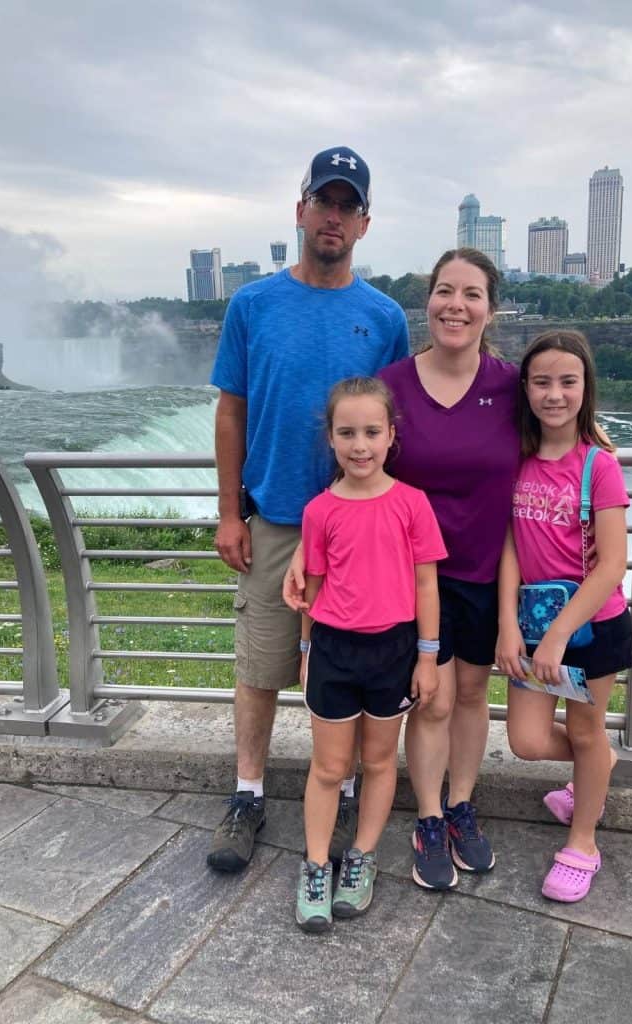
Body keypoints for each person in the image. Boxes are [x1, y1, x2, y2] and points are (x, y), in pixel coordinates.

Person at [286, 248, 520, 890]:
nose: (456, 305)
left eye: (472, 294)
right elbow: (351, 467)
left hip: (477, 567)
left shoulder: (510, 385)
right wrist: (309, 561)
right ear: (428, 301)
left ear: (490, 308)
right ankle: (430, 815)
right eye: (445, 291)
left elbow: (560, 439)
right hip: (407, 579)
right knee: (432, 700)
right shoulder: (394, 383)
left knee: (471, 695)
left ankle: (461, 806)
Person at [207, 147, 409, 873]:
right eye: (323, 201)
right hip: (275, 520)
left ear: (364, 224)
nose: (334, 216)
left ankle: (347, 787)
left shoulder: (384, 317)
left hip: (357, 528)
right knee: (262, 665)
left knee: (348, 664)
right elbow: (231, 413)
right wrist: (230, 512)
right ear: (300, 211)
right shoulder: (252, 305)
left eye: (347, 205)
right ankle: (248, 793)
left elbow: (391, 421)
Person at [296, 377, 446, 932]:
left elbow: (427, 585)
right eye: (347, 433)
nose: (360, 445)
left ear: (390, 435)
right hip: (334, 650)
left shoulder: (412, 504)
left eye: (371, 432)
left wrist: (427, 657)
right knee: (331, 766)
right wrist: (307, 650)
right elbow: (311, 589)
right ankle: (315, 863)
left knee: (381, 761)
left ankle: (360, 856)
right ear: (331, 439)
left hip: (395, 650)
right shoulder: (319, 511)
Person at [495, 329, 632, 903]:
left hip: (593, 628)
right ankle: (596, 765)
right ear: (525, 388)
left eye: (567, 382)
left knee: (582, 729)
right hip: (533, 625)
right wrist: (508, 624)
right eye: (543, 381)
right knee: (526, 739)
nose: (555, 394)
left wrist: (554, 639)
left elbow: (610, 567)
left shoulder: (599, 465)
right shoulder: (517, 459)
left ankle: (582, 843)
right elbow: (509, 546)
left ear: (585, 388)